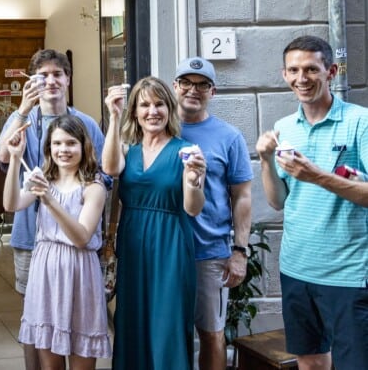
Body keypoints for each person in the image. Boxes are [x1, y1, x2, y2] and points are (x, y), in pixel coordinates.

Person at [255, 35, 368, 370]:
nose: (301, 79)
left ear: (330, 71)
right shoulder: (284, 127)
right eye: (293, 70)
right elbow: (278, 202)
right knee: (310, 361)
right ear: (284, 74)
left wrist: (317, 175)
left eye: (311, 69)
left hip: (347, 272)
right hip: (297, 268)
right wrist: (264, 160)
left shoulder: (360, 122)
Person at [0, 49, 106, 370]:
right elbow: (4, 156)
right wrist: (23, 108)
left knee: (77, 322)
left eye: (57, 74)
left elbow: (101, 176)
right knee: (38, 326)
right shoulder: (24, 118)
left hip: (76, 245)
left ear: (68, 79)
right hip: (33, 240)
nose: (50, 80)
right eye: (42, 75)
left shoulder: (84, 123)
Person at [102, 77, 206, 370]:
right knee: (131, 318)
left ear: (169, 108)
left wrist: (195, 182)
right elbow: (110, 169)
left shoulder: (187, 150)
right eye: (144, 104)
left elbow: (193, 209)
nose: (152, 111)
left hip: (171, 244)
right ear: (134, 111)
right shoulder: (127, 149)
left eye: (159, 104)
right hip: (133, 244)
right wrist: (113, 115)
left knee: (167, 324)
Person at [172, 57, 253, 370]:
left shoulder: (228, 136)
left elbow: (243, 196)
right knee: (170, 333)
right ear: (175, 86)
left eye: (202, 84)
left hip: (209, 253)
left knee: (212, 335)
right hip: (167, 250)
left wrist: (240, 251)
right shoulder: (159, 129)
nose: (194, 90)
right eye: (187, 83)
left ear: (213, 92)